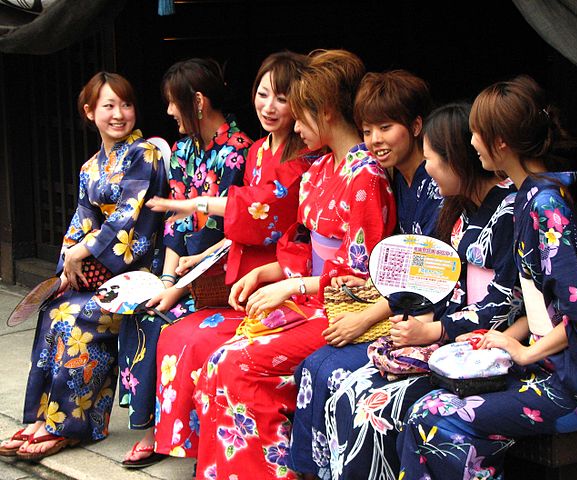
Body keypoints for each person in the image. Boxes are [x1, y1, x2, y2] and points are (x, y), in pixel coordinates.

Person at [397, 76, 577, 479]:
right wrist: (504, 339)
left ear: (501, 142)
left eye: (477, 133)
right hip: (548, 361)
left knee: (433, 415)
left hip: (573, 383)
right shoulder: (531, 196)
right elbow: (541, 301)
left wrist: (525, 353)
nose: (472, 143)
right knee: (427, 409)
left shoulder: (546, 206)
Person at [191, 49, 396, 480]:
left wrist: (293, 286)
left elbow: (361, 275)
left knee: (237, 364)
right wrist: (269, 273)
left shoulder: (366, 176)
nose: (296, 128)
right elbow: (302, 248)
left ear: (326, 112)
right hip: (312, 299)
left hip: (343, 311)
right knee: (217, 358)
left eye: (300, 116)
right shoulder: (320, 169)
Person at [317, 102, 521, 480]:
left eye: (431, 159)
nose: (426, 168)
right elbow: (444, 283)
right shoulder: (461, 209)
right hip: (451, 338)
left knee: (374, 408)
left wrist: (435, 330)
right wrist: (420, 322)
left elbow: (506, 302)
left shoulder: (509, 212)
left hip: (486, 348)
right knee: (348, 391)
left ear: (457, 160)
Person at [144, 51, 317, 460]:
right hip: (247, 276)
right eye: (263, 94)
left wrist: (195, 204)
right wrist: (204, 257)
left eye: (282, 98)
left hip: (283, 280)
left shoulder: (304, 159)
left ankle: (233, 455)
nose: (268, 107)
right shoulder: (258, 152)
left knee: (204, 344)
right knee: (175, 335)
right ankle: (201, 449)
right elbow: (241, 228)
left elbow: (261, 210)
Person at [0, 72, 167, 460]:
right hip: (103, 271)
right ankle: (45, 416)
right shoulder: (91, 167)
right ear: (90, 112)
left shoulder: (145, 155)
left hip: (140, 271)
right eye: (109, 106)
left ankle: (69, 426)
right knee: (55, 309)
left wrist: (83, 253)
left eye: (126, 104)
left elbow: (128, 218)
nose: (119, 114)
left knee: (81, 317)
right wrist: (66, 269)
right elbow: (81, 219)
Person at [287, 70, 442, 479]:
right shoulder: (400, 179)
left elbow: (430, 277)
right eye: (368, 130)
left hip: (429, 319)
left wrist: (365, 317)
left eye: (386, 128)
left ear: (416, 126)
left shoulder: (435, 186)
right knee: (312, 368)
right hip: (396, 307)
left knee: (335, 374)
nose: (375, 140)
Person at [117, 58, 251, 467]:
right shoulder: (181, 151)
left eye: (174, 102)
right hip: (182, 268)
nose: (170, 111)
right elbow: (175, 224)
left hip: (218, 272)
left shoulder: (239, 151)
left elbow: (234, 231)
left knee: (163, 322)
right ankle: (154, 425)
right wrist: (166, 280)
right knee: (140, 312)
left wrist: (178, 289)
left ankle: (168, 432)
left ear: (198, 102)